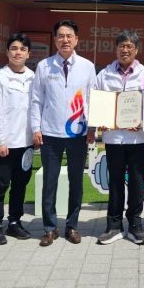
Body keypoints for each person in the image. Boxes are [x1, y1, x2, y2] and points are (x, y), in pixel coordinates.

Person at [30, 19, 96, 246]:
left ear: (76, 39)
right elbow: (36, 100)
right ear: (55, 39)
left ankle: (72, 226)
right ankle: (49, 228)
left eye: (69, 36)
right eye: (60, 35)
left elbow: (92, 99)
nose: (65, 40)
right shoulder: (44, 66)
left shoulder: (87, 66)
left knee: (76, 182)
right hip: (50, 134)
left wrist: (92, 127)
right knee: (50, 182)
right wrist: (36, 128)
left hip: (78, 133)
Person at [94, 30, 144, 245]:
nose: (125, 50)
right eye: (121, 46)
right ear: (116, 49)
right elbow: (96, 103)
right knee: (115, 182)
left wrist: (143, 122)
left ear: (136, 50)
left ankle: (135, 224)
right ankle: (114, 225)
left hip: (138, 139)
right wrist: (100, 120)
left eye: (129, 46)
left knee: (137, 183)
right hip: (114, 139)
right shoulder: (104, 75)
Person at [0, 32, 35, 245]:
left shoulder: (33, 78)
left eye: (22, 49)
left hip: (26, 143)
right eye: (14, 48)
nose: (18, 53)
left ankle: (14, 222)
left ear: (28, 54)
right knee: (0, 184)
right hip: (6, 144)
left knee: (20, 185)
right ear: (7, 52)